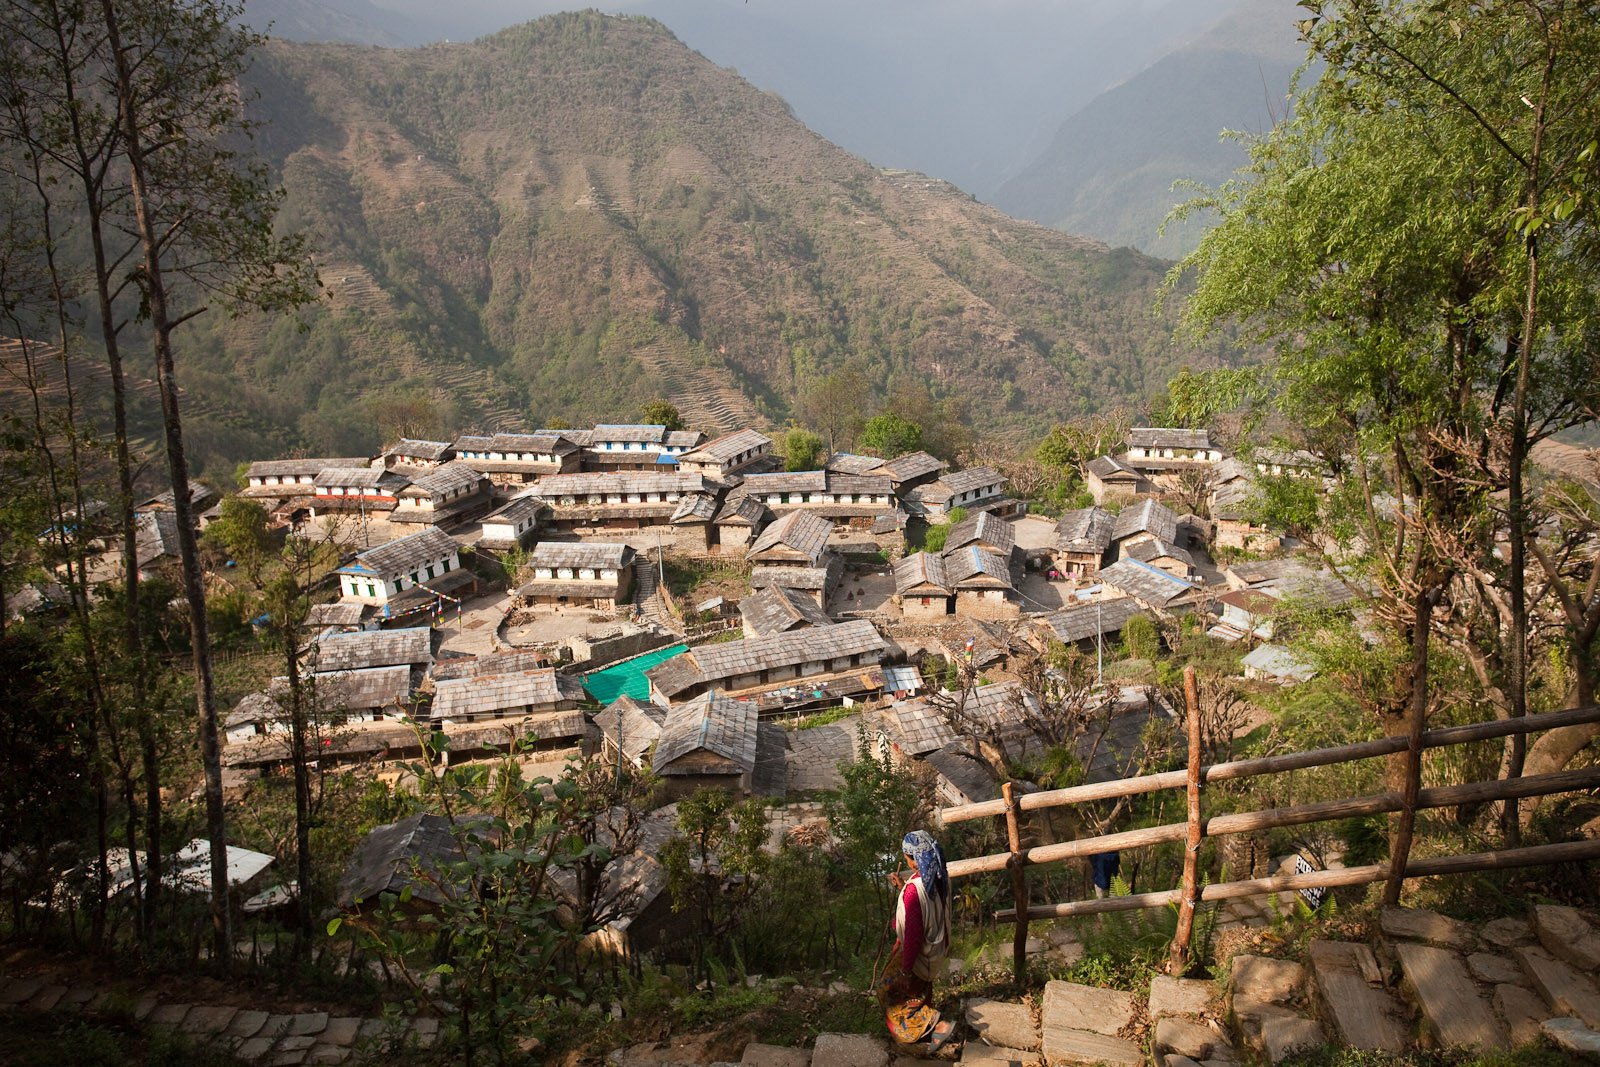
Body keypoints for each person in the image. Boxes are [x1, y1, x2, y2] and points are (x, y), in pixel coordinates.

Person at [879, 829, 956, 1050]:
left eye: (906, 857)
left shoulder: (914, 891)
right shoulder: (939, 875)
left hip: (918, 954)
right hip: (936, 948)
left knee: (889, 992)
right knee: (920, 991)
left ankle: (936, 1027)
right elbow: (926, 905)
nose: (906, 861)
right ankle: (927, 1037)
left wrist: (905, 970)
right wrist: (903, 887)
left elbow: (913, 935)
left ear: (913, 859)